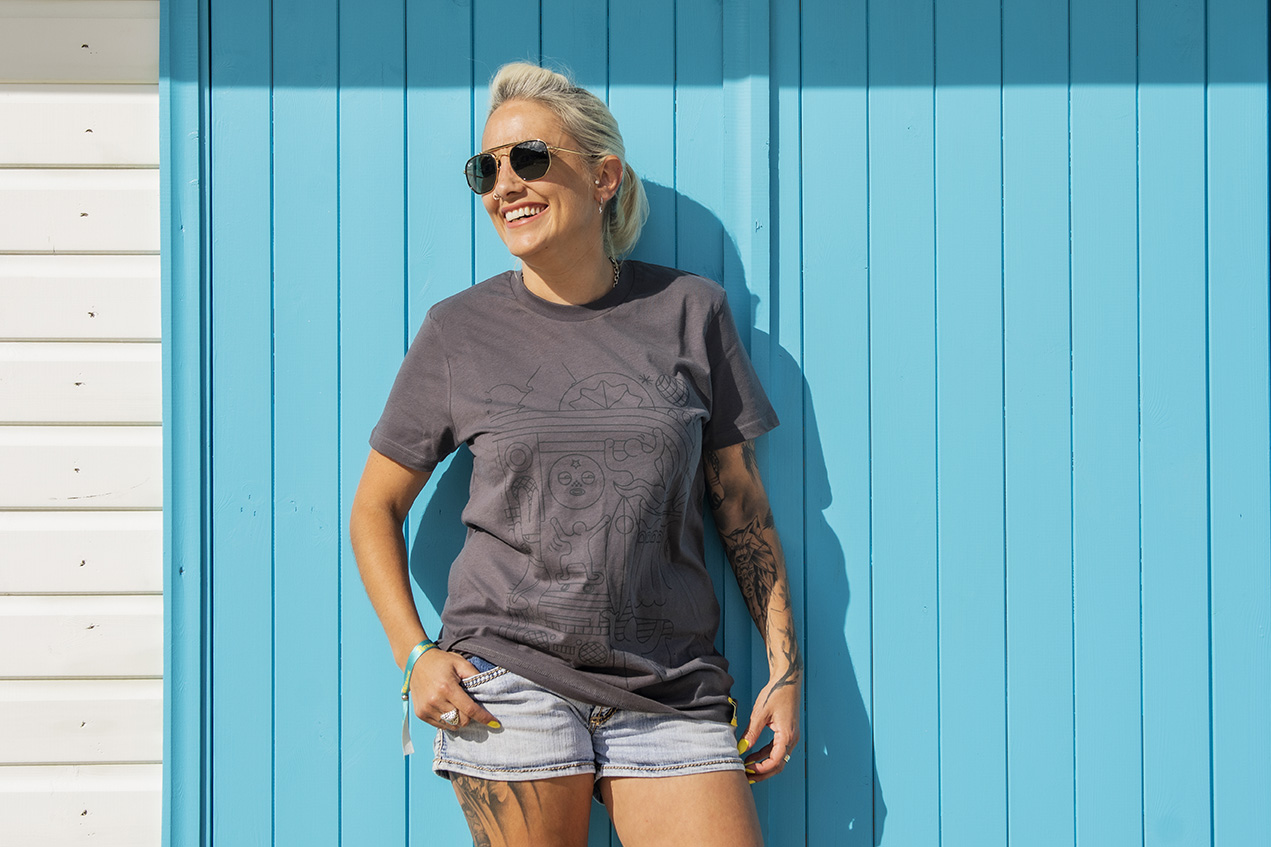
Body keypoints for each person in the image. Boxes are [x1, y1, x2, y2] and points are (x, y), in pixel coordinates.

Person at [350, 61, 802, 847]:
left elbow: (741, 505)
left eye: (527, 158)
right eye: (484, 169)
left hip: (671, 685)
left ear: (603, 177)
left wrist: (787, 670)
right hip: (508, 684)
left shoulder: (690, 311)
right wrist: (414, 652)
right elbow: (373, 509)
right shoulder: (457, 331)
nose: (503, 185)